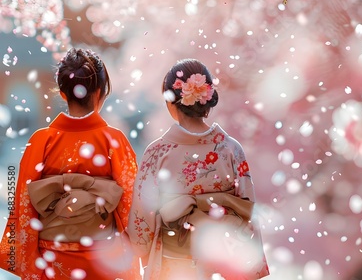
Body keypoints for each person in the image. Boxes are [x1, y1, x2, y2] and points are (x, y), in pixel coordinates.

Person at [0, 48, 140, 280]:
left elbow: (24, 206)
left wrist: (26, 260)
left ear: (63, 94)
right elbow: (130, 205)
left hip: (54, 260)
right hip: (104, 260)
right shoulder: (113, 140)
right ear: (100, 92)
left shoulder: (42, 140)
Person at [128, 58, 269, 279]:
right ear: (207, 101)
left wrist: (143, 251)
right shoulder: (231, 149)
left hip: (173, 263)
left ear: (170, 103)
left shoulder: (157, 152)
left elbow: (141, 219)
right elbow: (246, 210)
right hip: (222, 262)